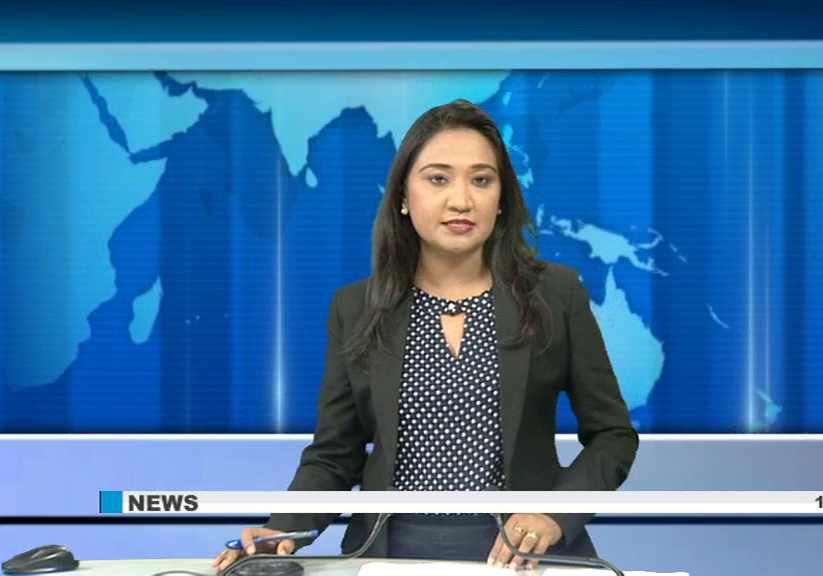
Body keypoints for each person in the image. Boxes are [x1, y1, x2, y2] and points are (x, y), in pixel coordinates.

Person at [214, 99, 638, 573]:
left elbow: (613, 436)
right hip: (389, 552)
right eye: (438, 179)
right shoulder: (356, 308)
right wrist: (281, 528)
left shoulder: (556, 293)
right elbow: (335, 455)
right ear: (402, 195)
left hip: (523, 556)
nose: (461, 201)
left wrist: (555, 515)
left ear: (501, 198)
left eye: (481, 180)